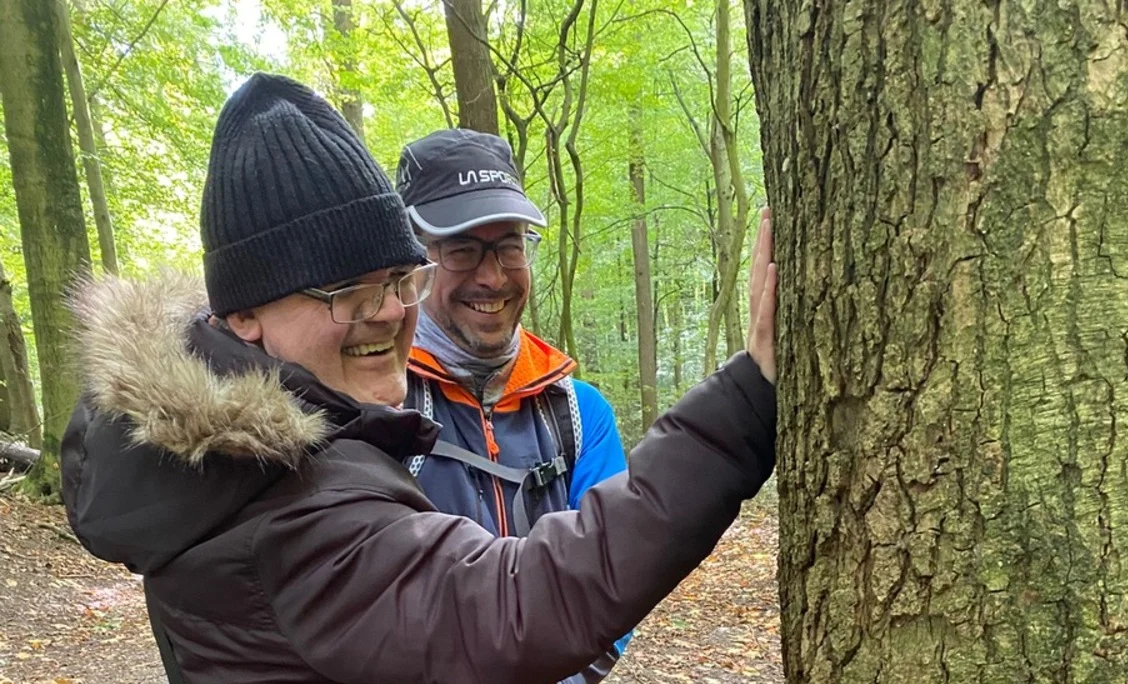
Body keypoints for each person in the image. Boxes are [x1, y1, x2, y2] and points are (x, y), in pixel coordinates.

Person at [60, 73, 778, 684]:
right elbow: (525, 601)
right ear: (245, 314)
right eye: (347, 291)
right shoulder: (284, 510)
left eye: (400, 279)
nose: (388, 313)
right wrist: (747, 400)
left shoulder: (244, 465)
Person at [394, 129, 631, 681]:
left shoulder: (579, 412)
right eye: (461, 249)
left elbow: (613, 580)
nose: (493, 276)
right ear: (414, 260)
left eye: (510, 246)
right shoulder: (378, 408)